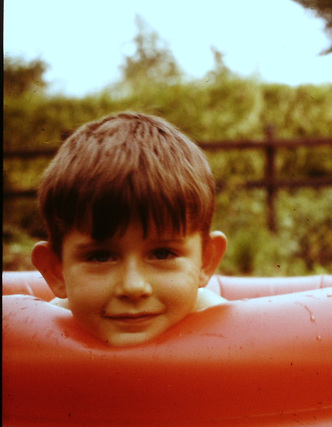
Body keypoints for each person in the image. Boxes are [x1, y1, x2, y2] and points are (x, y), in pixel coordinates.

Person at [31, 112, 228, 346]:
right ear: (56, 271)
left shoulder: (223, 331)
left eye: (162, 253)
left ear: (206, 261)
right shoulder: (45, 337)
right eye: (100, 256)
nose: (133, 287)